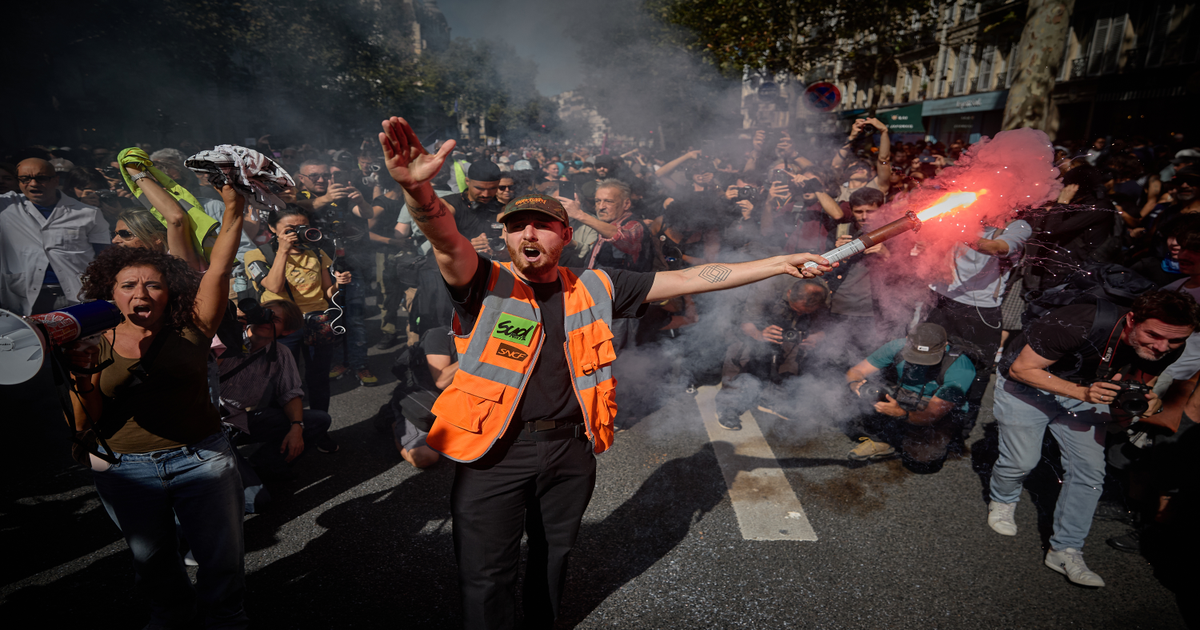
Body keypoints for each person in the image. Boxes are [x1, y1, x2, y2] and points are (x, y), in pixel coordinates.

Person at [377, 115, 832, 630]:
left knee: (553, 561)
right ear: (504, 237)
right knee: (485, 576)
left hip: (570, 452)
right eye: (516, 225)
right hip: (494, 453)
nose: (528, 232)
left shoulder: (597, 285)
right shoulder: (483, 281)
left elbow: (692, 276)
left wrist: (778, 264)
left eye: (543, 224)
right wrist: (417, 191)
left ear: (565, 235)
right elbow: (443, 238)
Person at [64, 181, 248, 628]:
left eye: (154, 285)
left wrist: (234, 208)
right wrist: (83, 373)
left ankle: (224, 618)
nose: (141, 294)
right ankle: (170, 616)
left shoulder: (194, 325)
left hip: (201, 459)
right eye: (128, 285)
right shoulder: (91, 341)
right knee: (153, 561)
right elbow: (81, 422)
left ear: (171, 292)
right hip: (127, 469)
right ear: (111, 290)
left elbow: (219, 270)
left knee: (220, 557)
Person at [989, 290, 1199, 587]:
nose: (1162, 346)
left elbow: (1134, 391)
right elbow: (1021, 369)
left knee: (1089, 472)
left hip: (1087, 390)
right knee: (1023, 460)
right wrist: (1082, 393)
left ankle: (1066, 549)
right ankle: (1003, 498)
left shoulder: (1168, 345)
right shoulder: (1077, 323)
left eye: (1175, 340)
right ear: (1131, 320)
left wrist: (1146, 404)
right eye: (1153, 335)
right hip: (1028, 385)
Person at [242, 206, 353, 413]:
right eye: (289, 229)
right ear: (272, 228)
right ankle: (286, 429)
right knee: (282, 379)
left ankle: (319, 427)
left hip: (317, 321)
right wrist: (283, 250)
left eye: (302, 227)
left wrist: (339, 283)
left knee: (318, 377)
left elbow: (327, 293)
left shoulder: (316, 253)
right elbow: (274, 286)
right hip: (282, 324)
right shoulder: (257, 254)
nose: (297, 232)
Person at [219, 299, 338, 476]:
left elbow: (291, 393)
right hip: (206, 426)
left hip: (237, 422)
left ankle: (261, 467)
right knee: (255, 499)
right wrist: (230, 332)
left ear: (288, 331)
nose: (265, 321)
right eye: (264, 314)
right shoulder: (226, 336)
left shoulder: (281, 353)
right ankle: (245, 477)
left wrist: (297, 427)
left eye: (274, 320)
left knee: (318, 420)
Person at [845, 323, 976, 468]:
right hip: (903, 395)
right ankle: (882, 439)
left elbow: (932, 414)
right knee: (855, 394)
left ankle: (931, 437)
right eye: (916, 355)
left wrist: (900, 413)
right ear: (907, 340)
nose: (921, 361)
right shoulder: (896, 346)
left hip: (935, 405)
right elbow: (856, 371)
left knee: (922, 458)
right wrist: (856, 385)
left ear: (945, 345)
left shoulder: (961, 368)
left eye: (928, 357)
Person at [716, 277, 829, 430]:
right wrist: (759, 334)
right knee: (741, 351)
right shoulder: (766, 287)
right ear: (789, 293)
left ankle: (772, 399)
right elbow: (745, 321)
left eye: (805, 312)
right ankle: (728, 406)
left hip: (786, 326)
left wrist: (817, 336)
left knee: (792, 352)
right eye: (797, 310)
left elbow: (826, 324)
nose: (801, 314)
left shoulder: (823, 293)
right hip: (748, 320)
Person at [0, 158, 110, 315]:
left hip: (76, 295)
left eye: (41, 178)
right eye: (25, 179)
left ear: (56, 180)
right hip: (23, 296)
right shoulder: (7, 207)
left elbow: (104, 258)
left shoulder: (88, 213)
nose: (33, 184)